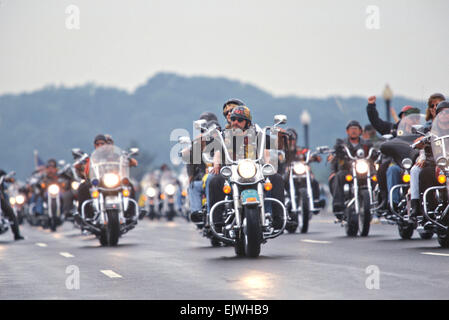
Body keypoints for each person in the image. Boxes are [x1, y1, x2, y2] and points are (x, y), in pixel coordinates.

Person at [207, 106, 285, 230]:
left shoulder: (257, 134)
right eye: (233, 119)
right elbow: (217, 151)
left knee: (277, 178)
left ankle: (278, 218)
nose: (235, 123)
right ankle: (216, 222)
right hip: (232, 170)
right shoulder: (224, 134)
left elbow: (268, 151)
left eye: (239, 120)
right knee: (214, 180)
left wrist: (268, 164)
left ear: (247, 122)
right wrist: (216, 164)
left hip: (253, 170)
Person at [328, 120, 373, 218]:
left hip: (363, 171)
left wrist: (378, 151)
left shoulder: (367, 144)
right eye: (351, 129)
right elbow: (334, 157)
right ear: (347, 131)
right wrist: (333, 170)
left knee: (375, 177)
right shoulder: (341, 144)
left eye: (356, 129)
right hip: (347, 171)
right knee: (339, 176)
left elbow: (373, 153)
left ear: (360, 131)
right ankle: (338, 204)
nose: (353, 131)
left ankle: (379, 202)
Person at [0, 170, 24, 240]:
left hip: (0, 198)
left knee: (10, 212)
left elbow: (7, 178)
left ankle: (16, 234)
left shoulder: (0, 173)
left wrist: (8, 179)